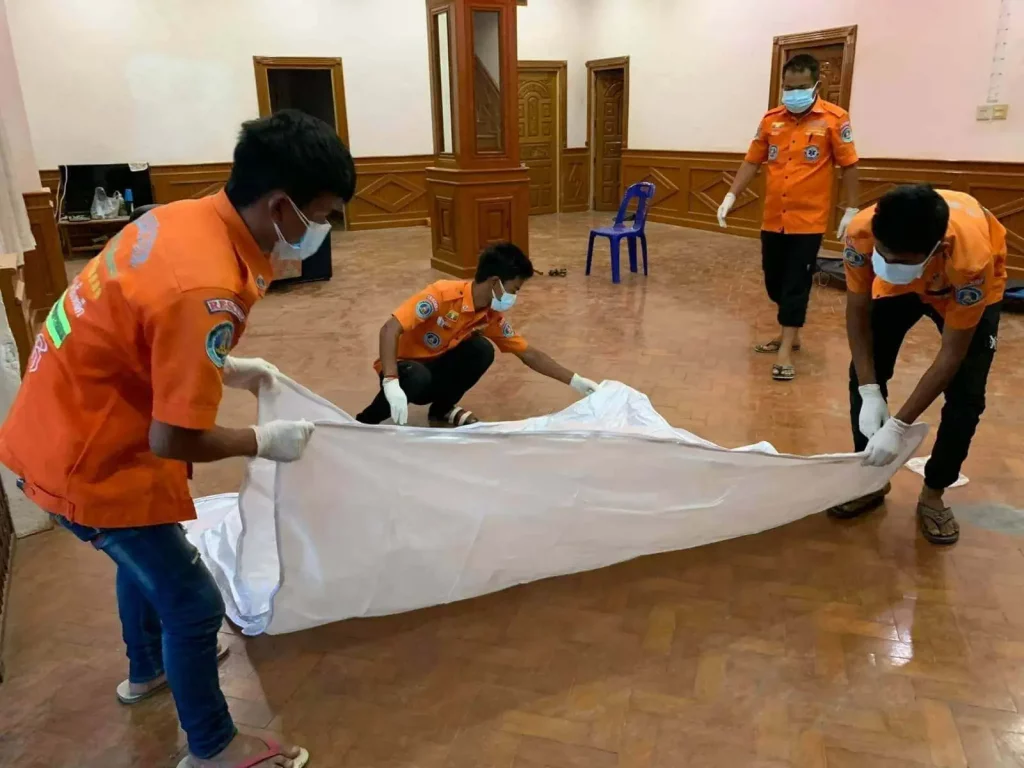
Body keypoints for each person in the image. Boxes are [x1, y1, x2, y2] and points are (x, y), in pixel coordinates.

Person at [0, 109, 355, 768]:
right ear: (280, 207)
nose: (324, 230)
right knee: (192, 604)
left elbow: (143, 331)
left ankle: (148, 669)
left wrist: (225, 364)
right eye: (323, 215)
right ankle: (214, 747)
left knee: (146, 560)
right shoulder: (205, 285)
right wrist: (261, 440)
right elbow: (175, 438)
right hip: (88, 460)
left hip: (59, 424)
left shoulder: (183, 218)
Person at [828, 184, 1006, 545]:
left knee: (967, 394)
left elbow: (952, 353)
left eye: (901, 260)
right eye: (883, 254)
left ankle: (934, 492)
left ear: (935, 250)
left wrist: (898, 426)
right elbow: (857, 311)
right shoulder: (861, 233)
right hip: (900, 290)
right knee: (864, 370)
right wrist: (869, 390)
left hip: (959, 287)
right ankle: (871, 481)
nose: (888, 263)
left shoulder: (971, 261)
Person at [718, 53, 860, 381]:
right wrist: (731, 195)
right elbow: (752, 160)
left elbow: (850, 165)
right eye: (788, 87)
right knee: (774, 282)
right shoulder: (771, 120)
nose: (794, 93)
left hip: (808, 222)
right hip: (773, 218)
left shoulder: (834, 119)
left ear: (816, 85)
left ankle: (786, 348)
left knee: (796, 283)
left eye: (801, 87)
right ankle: (789, 332)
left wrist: (851, 209)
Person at [357, 242, 598, 426]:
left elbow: (528, 353)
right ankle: (365, 422)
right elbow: (389, 329)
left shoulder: (489, 315)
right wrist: (391, 380)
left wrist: (576, 381)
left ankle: (441, 409)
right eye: (514, 289)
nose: (514, 297)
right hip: (404, 369)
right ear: (495, 282)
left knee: (481, 350)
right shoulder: (441, 295)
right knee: (416, 376)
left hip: (435, 366)